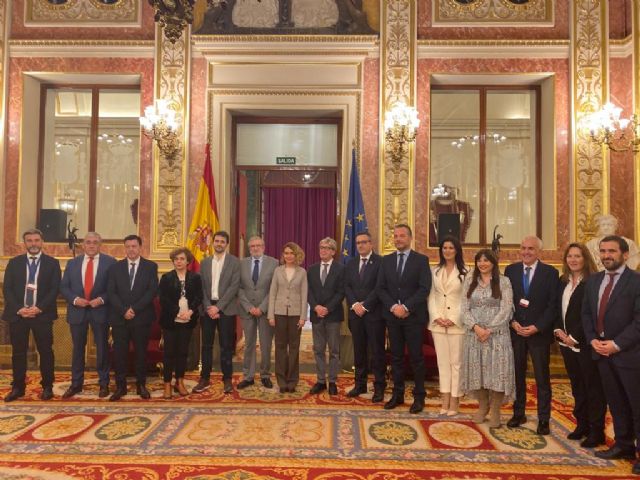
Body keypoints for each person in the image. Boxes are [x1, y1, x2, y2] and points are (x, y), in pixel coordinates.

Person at [582, 235, 640, 476]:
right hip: (601, 354)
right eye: (603, 251)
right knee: (616, 404)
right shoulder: (594, 281)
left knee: (636, 406)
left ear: (625, 254)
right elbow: (586, 313)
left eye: (612, 251)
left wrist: (616, 344)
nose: (606, 255)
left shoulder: (636, 282)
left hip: (629, 355)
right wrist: (593, 339)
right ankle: (624, 445)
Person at [504, 236, 559, 435]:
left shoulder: (551, 273)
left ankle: (543, 419)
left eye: (531, 249)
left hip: (538, 334)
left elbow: (553, 306)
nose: (526, 252)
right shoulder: (511, 271)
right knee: (517, 375)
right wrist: (512, 321)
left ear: (539, 252)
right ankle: (519, 413)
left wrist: (538, 326)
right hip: (517, 332)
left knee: (542, 378)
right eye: (523, 247)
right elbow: (506, 301)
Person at [554, 243, 606, 448]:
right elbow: (557, 308)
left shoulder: (593, 282)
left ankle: (597, 431)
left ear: (585, 258)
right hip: (565, 344)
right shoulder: (563, 281)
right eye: (570, 256)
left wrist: (575, 337)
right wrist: (558, 330)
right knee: (577, 387)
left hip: (584, 344)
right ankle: (582, 425)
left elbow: (593, 314)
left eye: (577, 256)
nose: (573, 260)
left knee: (593, 388)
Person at [376, 224, 432, 414]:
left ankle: (419, 397)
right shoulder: (386, 261)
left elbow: (424, 289)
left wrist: (406, 307)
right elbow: (380, 288)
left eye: (402, 236)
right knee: (396, 357)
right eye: (396, 236)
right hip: (393, 318)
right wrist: (394, 307)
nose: (398, 239)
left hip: (413, 318)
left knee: (416, 359)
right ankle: (397, 394)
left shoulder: (421, 260)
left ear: (410, 238)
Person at [3, 229, 61, 402]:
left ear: (42, 241)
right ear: (25, 243)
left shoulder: (52, 263)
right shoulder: (14, 263)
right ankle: (18, 387)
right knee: (18, 352)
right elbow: (8, 289)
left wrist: (39, 308)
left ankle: (47, 386)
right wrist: (20, 308)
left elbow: (54, 289)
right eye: (29, 240)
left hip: (42, 315)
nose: (33, 243)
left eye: (36, 240)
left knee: (46, 351)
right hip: (18, 315)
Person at [460, 249, 515, 428]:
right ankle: (483, 407)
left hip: (497, 337)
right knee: (479, 374)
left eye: (486, 260)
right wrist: (476, 327)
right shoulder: (469, 281)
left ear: (493, 262)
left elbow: (506, 309)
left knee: (497, 373)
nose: (482, 264)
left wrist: (489, 329)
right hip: (474, 336)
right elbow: (464, 308)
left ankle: (496, 410)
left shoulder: (504, 281)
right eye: (479, 260)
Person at [59, 232, 116, 399]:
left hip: (101, 311)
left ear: (100, 245)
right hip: (77, 312)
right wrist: (75, 299)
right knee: (77, 349)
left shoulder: (110, 263)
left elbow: (113, 288)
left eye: (95, 242)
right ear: (83, 245)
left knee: (102, 349)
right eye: (88, 242)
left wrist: (102, 299)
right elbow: (64, 287)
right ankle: (76, 384)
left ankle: (104, 383)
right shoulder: (72, 263)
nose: (91, 245)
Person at [107, 234, 159, 401]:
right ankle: (120, 387)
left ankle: (141, 386)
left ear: (140, 247)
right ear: (125, 248)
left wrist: (134, 309)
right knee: (119, 354)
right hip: (119, 318)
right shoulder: (115, 268)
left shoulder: (150, 266)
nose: (131, 249)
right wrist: (124, 310)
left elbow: (151, 291)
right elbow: (111, 292)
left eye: (134, 246)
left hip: (141, 318)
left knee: (141, 354)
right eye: (128, 246)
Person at [193, 230, 240, 395]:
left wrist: (218, 307)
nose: (219, 244)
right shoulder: (204, 262)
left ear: (226, 244)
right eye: (217, 241)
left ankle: (227, 379)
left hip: (226, 308)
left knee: (226, 346)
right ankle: (204, 378)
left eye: (222, 242)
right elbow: (202, 287)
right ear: (213, 243)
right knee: (206, 345)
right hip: (207, 309)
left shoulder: (234, 262)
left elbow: (234, 287)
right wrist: (209, 307)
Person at [428, 235, 467, 416]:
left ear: (457, 250)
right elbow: (432, 297)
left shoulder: (466, 272)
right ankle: (444, 399)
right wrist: (437, 317)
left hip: (457, 324)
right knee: (442, 363)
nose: (447, 251)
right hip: (437, 324)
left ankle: (455, 401)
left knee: (456, 364)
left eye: (451, 247)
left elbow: (466, 300)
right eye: (444, 248)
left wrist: (453, 318)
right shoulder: (435, 271)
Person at [344, 231, 385, 402]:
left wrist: (365, 305)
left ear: (371, 244)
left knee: (376, 353)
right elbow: (347, 286)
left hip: (374, 314)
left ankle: (379, 388)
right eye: (358, 243)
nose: (360, 245)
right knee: (359, 352)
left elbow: (380, 287)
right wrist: (354, 304)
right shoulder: (351, 263)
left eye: (364, 242)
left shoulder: (381, 262)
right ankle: (359, 384)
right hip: (356, 315)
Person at [158, 248, 202, 399]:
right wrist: (177, 312)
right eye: (176, 259)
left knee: (182, 353)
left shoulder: (195, 278)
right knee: (169, 353)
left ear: (187, 261)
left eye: (182, 259)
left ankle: (180, 382)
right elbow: (163, 299)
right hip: (170, 321)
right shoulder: (166, 277)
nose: (179, 261)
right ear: (173, 261)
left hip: (188, 321)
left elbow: (198, 297)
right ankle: (167, 384)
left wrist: (189, 312)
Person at [237, 236, 279, 389]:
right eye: (252, 246)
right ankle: (248, 376)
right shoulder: (241, 264)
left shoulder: (274, 263)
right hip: (247, 310)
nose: (255, 248)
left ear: (264, 247)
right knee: (248, 344)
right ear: (249, 248)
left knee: (266, 345)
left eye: (258, 245)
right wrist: (249, 307)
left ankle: (265, 375)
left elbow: (274, 289)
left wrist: (261, 308)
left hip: (265, 310)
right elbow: (239, 288)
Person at [267, 242, 308, 393]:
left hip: (296, 314)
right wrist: (271, 315)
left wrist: (303, 316)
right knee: (280, 347)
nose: (288, 256)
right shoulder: (278, 271)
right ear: (283, 255)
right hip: (279, 313)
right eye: (286, 253)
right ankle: (281, 380)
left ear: (296, 255)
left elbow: (304, 296)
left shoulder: (302, 272)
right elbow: (272, 293)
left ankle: (292, 380)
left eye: (291, 253)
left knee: (295, 347)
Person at [307, 237, 345, 396]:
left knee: (334, 351)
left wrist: (327, 308)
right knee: (318, 350)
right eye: (321, 247)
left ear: (333, 252)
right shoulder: (312, 269)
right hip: (316, 315)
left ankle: (333, 381)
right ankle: (321, 380)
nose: (323, 250)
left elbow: (341, 292)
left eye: (327, 248)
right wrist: (316, 306)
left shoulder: (341, 269)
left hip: (333, 316)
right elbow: (308, 291)